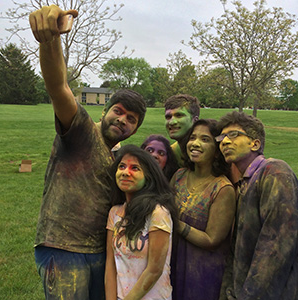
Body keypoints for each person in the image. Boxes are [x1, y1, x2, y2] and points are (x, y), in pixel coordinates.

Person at [29, 5, 146, 300]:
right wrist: (51, 38)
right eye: (119, 112)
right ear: (104, 110)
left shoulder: (119, 157)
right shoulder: (80, 130)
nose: (123, 120)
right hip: (64, 249)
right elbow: (58, 86)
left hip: (98, 253)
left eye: (131, 119)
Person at [216, 111, 298, 300]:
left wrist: (249, 296)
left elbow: (276, 247)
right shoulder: (244, 183)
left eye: (233, 135)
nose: (225, 141)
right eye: (222, 137)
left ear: (255, 143)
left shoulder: (274, 172)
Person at [170, 119, 236, 300]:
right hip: (173, 263)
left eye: (205, 139)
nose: (195, 144)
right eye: (192, 138)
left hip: (202, 274)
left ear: (217, 151)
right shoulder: (179, 176)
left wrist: (176, 224)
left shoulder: (222, 189)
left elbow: (212, 239)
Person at [105, 144, 178, 300]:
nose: (125, 172)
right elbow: (110, 264)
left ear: (148, 178)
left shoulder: (158, 213)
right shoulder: (114, 213)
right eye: (122, 166)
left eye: (135, 168)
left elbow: (154, 270)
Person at [164, 94, 200, 167]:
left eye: (179, 115)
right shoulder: (171, 153)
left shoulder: (210, 151)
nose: (171, 122)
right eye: (168, 117)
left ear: (195, 120)